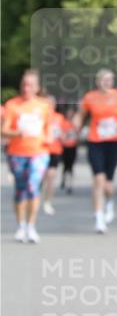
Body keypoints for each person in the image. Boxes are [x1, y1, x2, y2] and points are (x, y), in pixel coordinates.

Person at [72, 69, 117, 233]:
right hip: (95, 141)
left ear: (113, 82)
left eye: (109, 80)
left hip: (114, 142)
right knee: (98, 179)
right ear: (97, 81)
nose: (106, 82)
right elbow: (80, 115)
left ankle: (109, 202)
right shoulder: (90, 97)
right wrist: (75, 124)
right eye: (103, 80)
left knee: (108, 185)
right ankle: (99, 218)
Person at [1, 69, 52, 243]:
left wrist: (48, 138)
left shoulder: (44, 106)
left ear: (37, 87)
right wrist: (17, 133)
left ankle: (31, 226)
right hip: (17, 153)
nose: (26, 87)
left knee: (33, 185)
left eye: (30, 84)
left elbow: (49, 130)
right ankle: (21, 226)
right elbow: (4, 130)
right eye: (24, 84)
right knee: (20, 190)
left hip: (39, 152)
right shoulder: (12, 105)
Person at [42, 95, 66, 215]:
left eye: (52, 103)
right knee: (41, 177)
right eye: (47, 103)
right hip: (41, 150)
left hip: (55, 150)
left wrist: (61, 134)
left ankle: (47, 201)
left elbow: (64, 136)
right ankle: (37, 198)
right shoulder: (39, 117)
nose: (50, 105)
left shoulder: (59, 118)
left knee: (51, 176)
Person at [59, 107, 79, 194]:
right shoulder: (63, 122)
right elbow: (61, 134)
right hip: (64, 147)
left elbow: (78, 134)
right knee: (65, 165)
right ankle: (63, 180)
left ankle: (70, 184)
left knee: (71, 166)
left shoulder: (75, 124)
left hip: (73, 147)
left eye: (71, 113)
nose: (70, 115)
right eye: (68, 113)